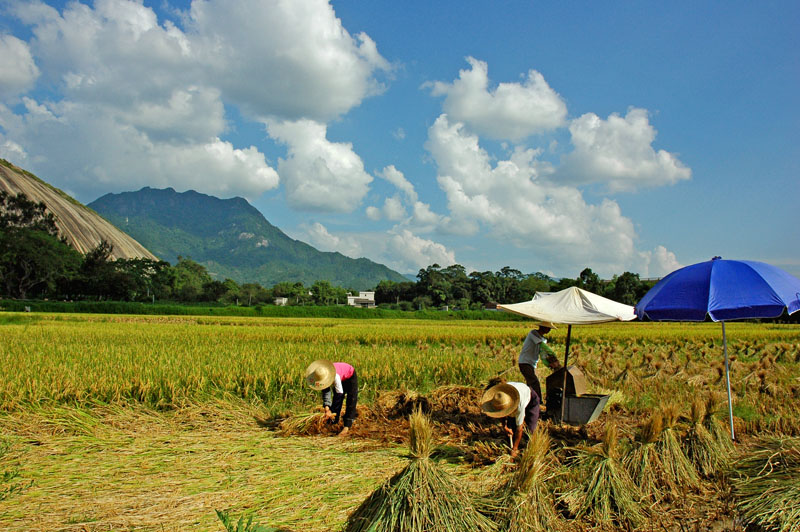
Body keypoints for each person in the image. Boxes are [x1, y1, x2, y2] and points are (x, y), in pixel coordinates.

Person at [480, 380, 539, 457]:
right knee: (512, 433)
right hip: (515, 395)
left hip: (531, 398)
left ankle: (528, 450)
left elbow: (519, 428)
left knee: (531, 430)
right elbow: (499, 414)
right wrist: (505, 427)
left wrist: (514, 449)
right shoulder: (499, 396)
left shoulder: (519, 406)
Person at [304, 359, 358, 437]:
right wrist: (327, 408)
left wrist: (331, 411)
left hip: (350, 375)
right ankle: (333, 423)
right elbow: (326, 392)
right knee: (334, 404)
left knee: (351, 400)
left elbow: (339, 395)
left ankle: (347, 426)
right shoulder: (321, 374)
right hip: (340, 377)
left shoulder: (335, 376)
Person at [517, 322, 558, 408]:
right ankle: (538, 403)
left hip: (532, 364)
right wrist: (553, 354)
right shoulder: (533, 333)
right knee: (534, 382)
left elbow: (543, 356)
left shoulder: (544, 339)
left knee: (530, 384)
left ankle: (528, 403)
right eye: (548, 328)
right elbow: (542, 346)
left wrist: (550, 364)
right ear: (542, 327)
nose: (549, 330)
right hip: (525, 362)